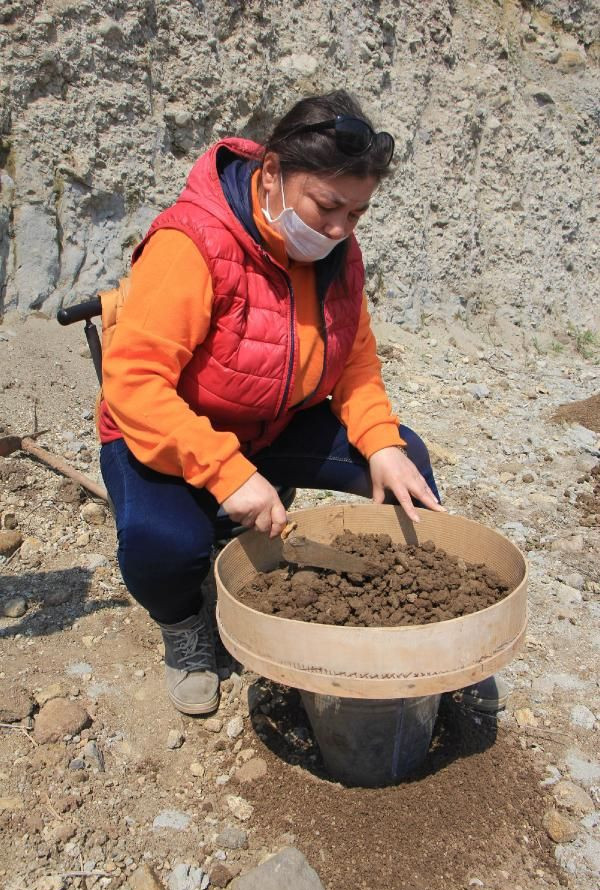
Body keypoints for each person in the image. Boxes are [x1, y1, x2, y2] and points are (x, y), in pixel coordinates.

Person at [99, 90, 502, 717]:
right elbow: (135, 385)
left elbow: (357, 360)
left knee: (407, 464)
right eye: (327, 206)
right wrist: (227, 473)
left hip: (272, 426)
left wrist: (382, 443)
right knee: (164, 545)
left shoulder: (337, 254)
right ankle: (184, 627)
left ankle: (435, 617)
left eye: (358, 213)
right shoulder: (191, 244)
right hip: (161, 430)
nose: (341, 229)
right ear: (272, 177)